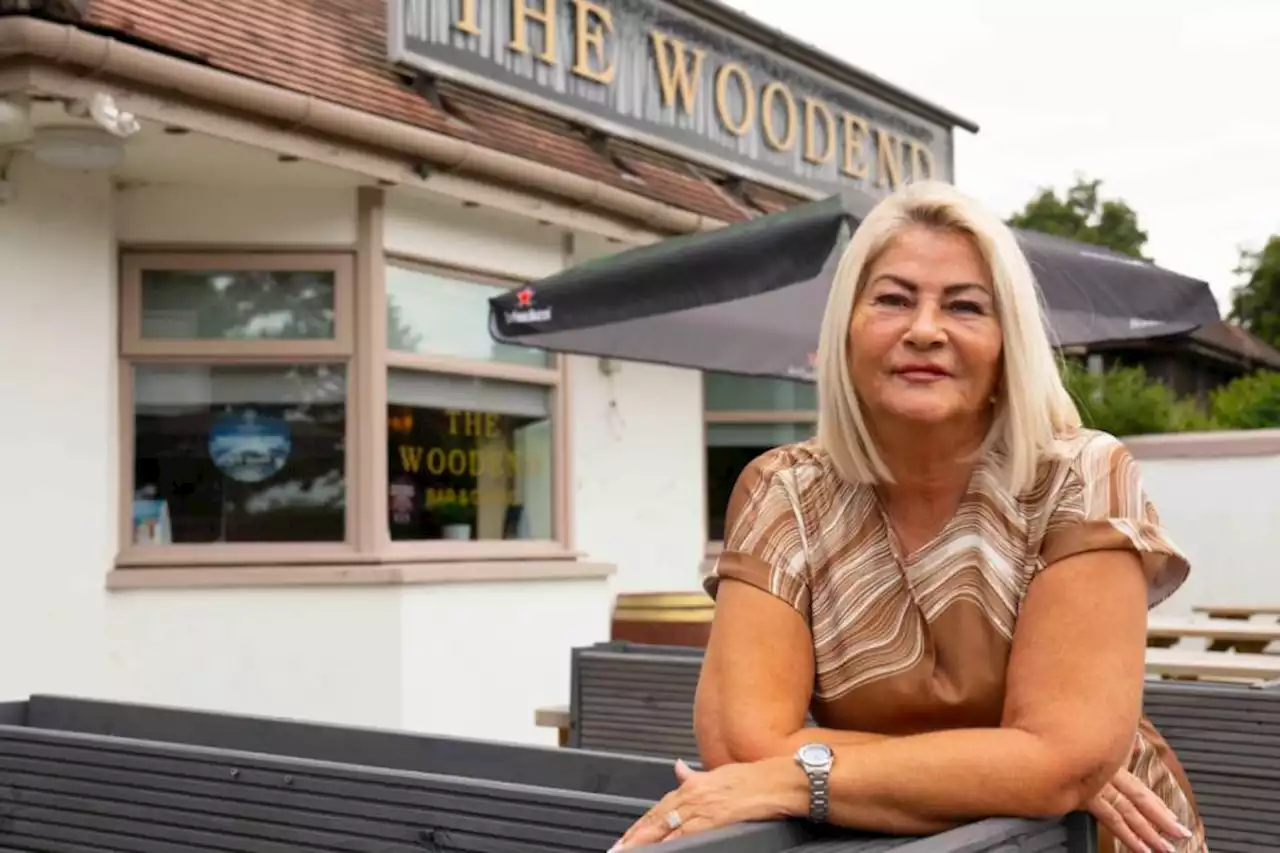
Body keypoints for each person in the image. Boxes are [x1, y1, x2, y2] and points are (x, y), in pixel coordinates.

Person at [614, 181, 1205, 853]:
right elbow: (741, 740)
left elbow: (1060, 764)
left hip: (1087, 837)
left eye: (965, 306)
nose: (925, 329)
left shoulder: (1081, 478)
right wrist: (1011, 768)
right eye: (894, 299)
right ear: (847, 330)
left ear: (1007, 342)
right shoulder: (785, 491)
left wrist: (1051, 768)